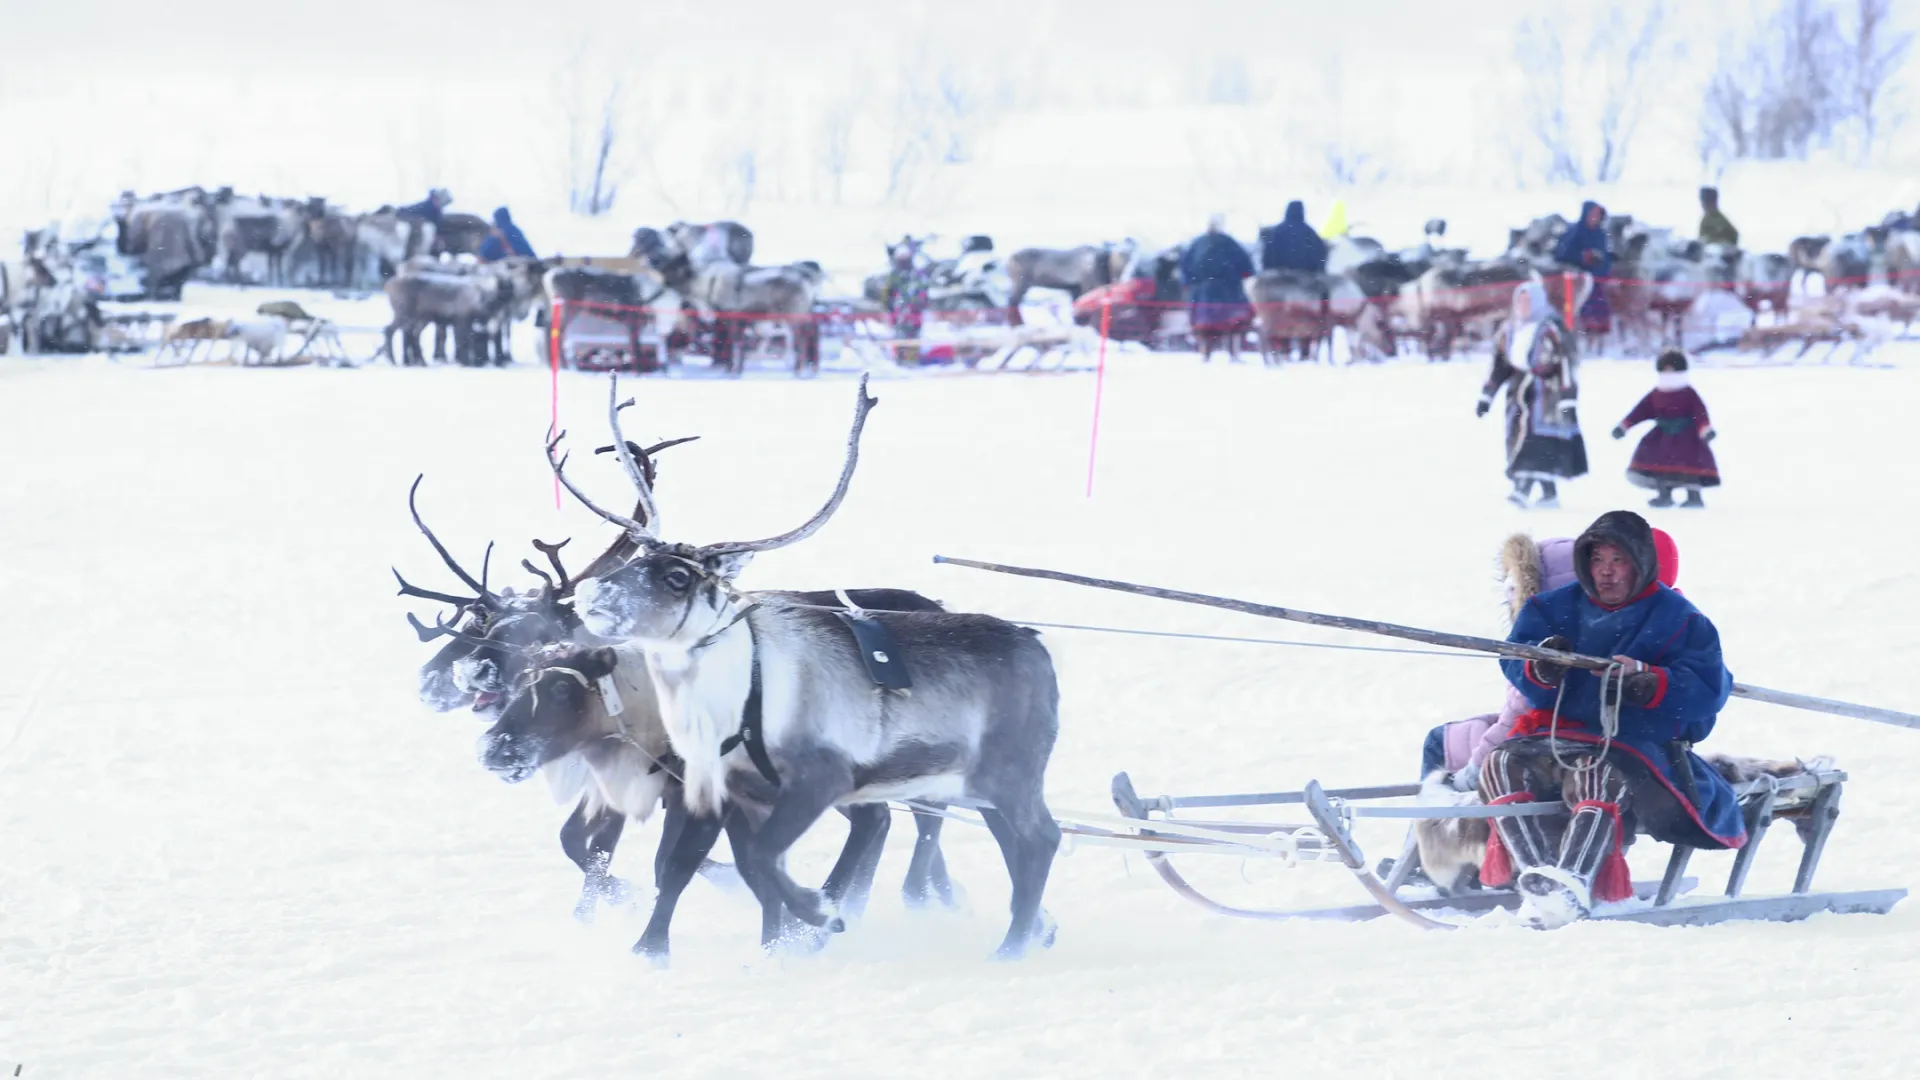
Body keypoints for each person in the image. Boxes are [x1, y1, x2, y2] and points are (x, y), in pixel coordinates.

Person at [1477, 510, 1744, 928]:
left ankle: (1575, 879)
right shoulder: (1551, 608)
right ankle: (1540, 878)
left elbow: (1708, 689)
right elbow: (1517, 656)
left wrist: (1650, 682)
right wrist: (1542, 666)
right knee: (1498, 764)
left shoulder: (1680, 619)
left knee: (1597, 772)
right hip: (1551, 733)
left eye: (1618, 561)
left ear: (1640, 562)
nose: (1606, 572)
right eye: (1598, 560)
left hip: (1628, 741)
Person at [1476, 282, 1587, 509]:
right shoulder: (1509, 330)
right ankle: (1549, 494)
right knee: (1519, 438)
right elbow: (1500, 366)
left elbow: (1567, 364)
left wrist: (1567, 399)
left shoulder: (1551, 328)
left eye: (1528, 301)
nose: (1523, 306)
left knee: (1536, 442)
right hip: (1518, 394)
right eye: (1520, 300)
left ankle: (1521, 490)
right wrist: (1487, 396)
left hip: (1547, 395)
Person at [1612, 349, 1720, 509]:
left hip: (1687, 437)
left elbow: (1700, 413)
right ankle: (1664, 495)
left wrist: (1705, 430)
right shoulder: (1657, 393)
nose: (1669, 373)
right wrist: (1624, 426)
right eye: (1666, 369)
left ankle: (1694, 497)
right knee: (1657, 463)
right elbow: (1640, 411)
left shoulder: (1688, 393)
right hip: (1661, 437)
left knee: (1690, 465)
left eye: (1672, 369)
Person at [1180, 214, 1255, 362]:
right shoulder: (1230, 243)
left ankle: (1205, 353)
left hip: (1202, 293)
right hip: (1229, 292)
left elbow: (1186, 268)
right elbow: (1246, 267)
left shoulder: (1196, 243)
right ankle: (1234, 353)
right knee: (1234, 324)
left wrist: (1190, 283)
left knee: (1204, 326)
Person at [1551, 200, 1613, 337]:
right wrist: (1582, 256)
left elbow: (1606, 256)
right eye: (1593, 214)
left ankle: (1599, 333)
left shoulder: (1601, 235)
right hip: (1577, 278)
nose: (1595, 218)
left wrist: (1602, 263)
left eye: (1598, 214)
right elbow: (1562, 253)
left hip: (1598, 279)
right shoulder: (1574, 232)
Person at [881, 239, 931, 366]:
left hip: (914, 315)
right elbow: (887, 296)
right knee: (900, 339)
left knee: (913, 339)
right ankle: (900, 362)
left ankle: (912, 362)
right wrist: (890, 309)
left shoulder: (917, 275)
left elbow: (924, 293)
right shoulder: (893, 275)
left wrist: (918, 304)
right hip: (899, 316)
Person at [1259, 200, 1329, 274]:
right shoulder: (1311, 234)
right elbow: (1320, 257)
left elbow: (1267, 256)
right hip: (1306, 278)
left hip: (1279, 277)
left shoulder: (1276, 232)